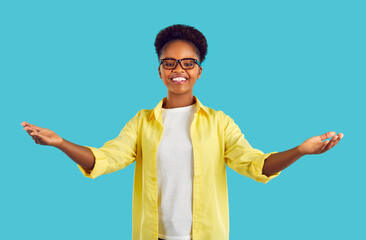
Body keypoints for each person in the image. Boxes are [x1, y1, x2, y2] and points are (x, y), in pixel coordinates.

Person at [21, 24, 343, 240]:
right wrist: (60, 143)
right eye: (170, 62)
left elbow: (255, 164)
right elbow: (106, 159)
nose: (179, 70)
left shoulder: (220, 122)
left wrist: (300, 151)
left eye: (188, 63)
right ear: (159, 70)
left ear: (199, 71)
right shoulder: (143, 122)